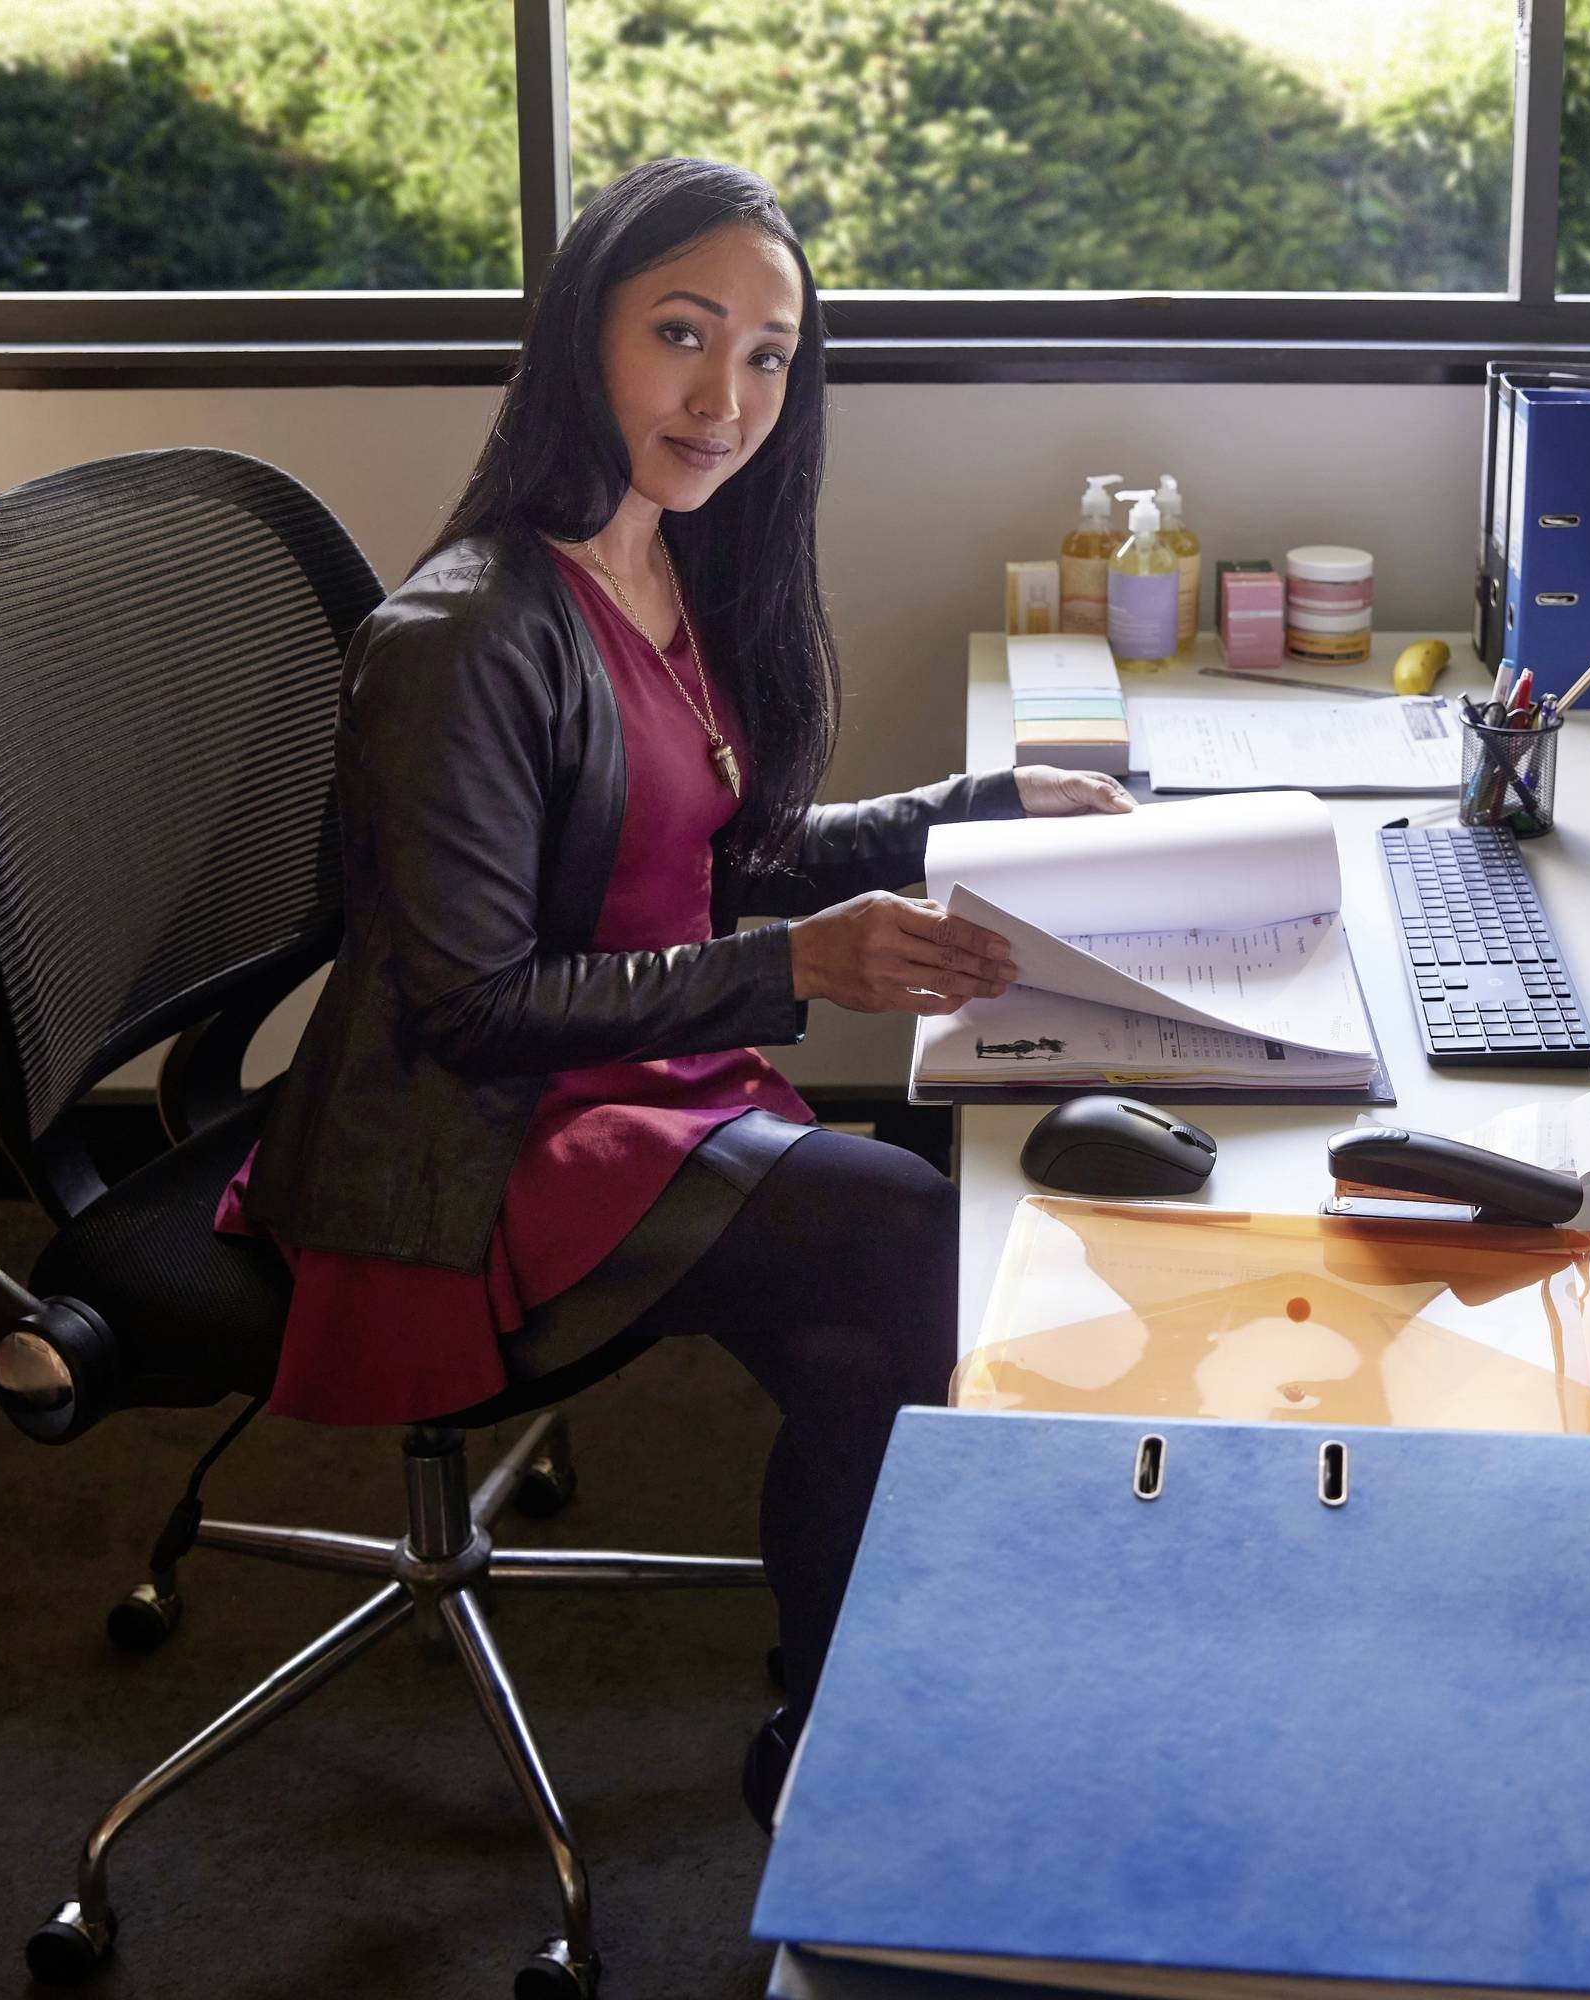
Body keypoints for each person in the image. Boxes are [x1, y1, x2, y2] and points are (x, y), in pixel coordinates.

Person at [214, 157, 1133, 1825]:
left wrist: (977, 807)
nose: (728, 398)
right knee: (922, 1247)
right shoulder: (465, 636)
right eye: (683, 336)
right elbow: (476, 1005)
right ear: (586, 337)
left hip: (634, 1080)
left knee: (880, 1320)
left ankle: (833, 1710)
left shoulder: (659, 557)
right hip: (468, 1145)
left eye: (771, 353)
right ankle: (847, 1714)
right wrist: (792, 965)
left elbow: (730, 839)